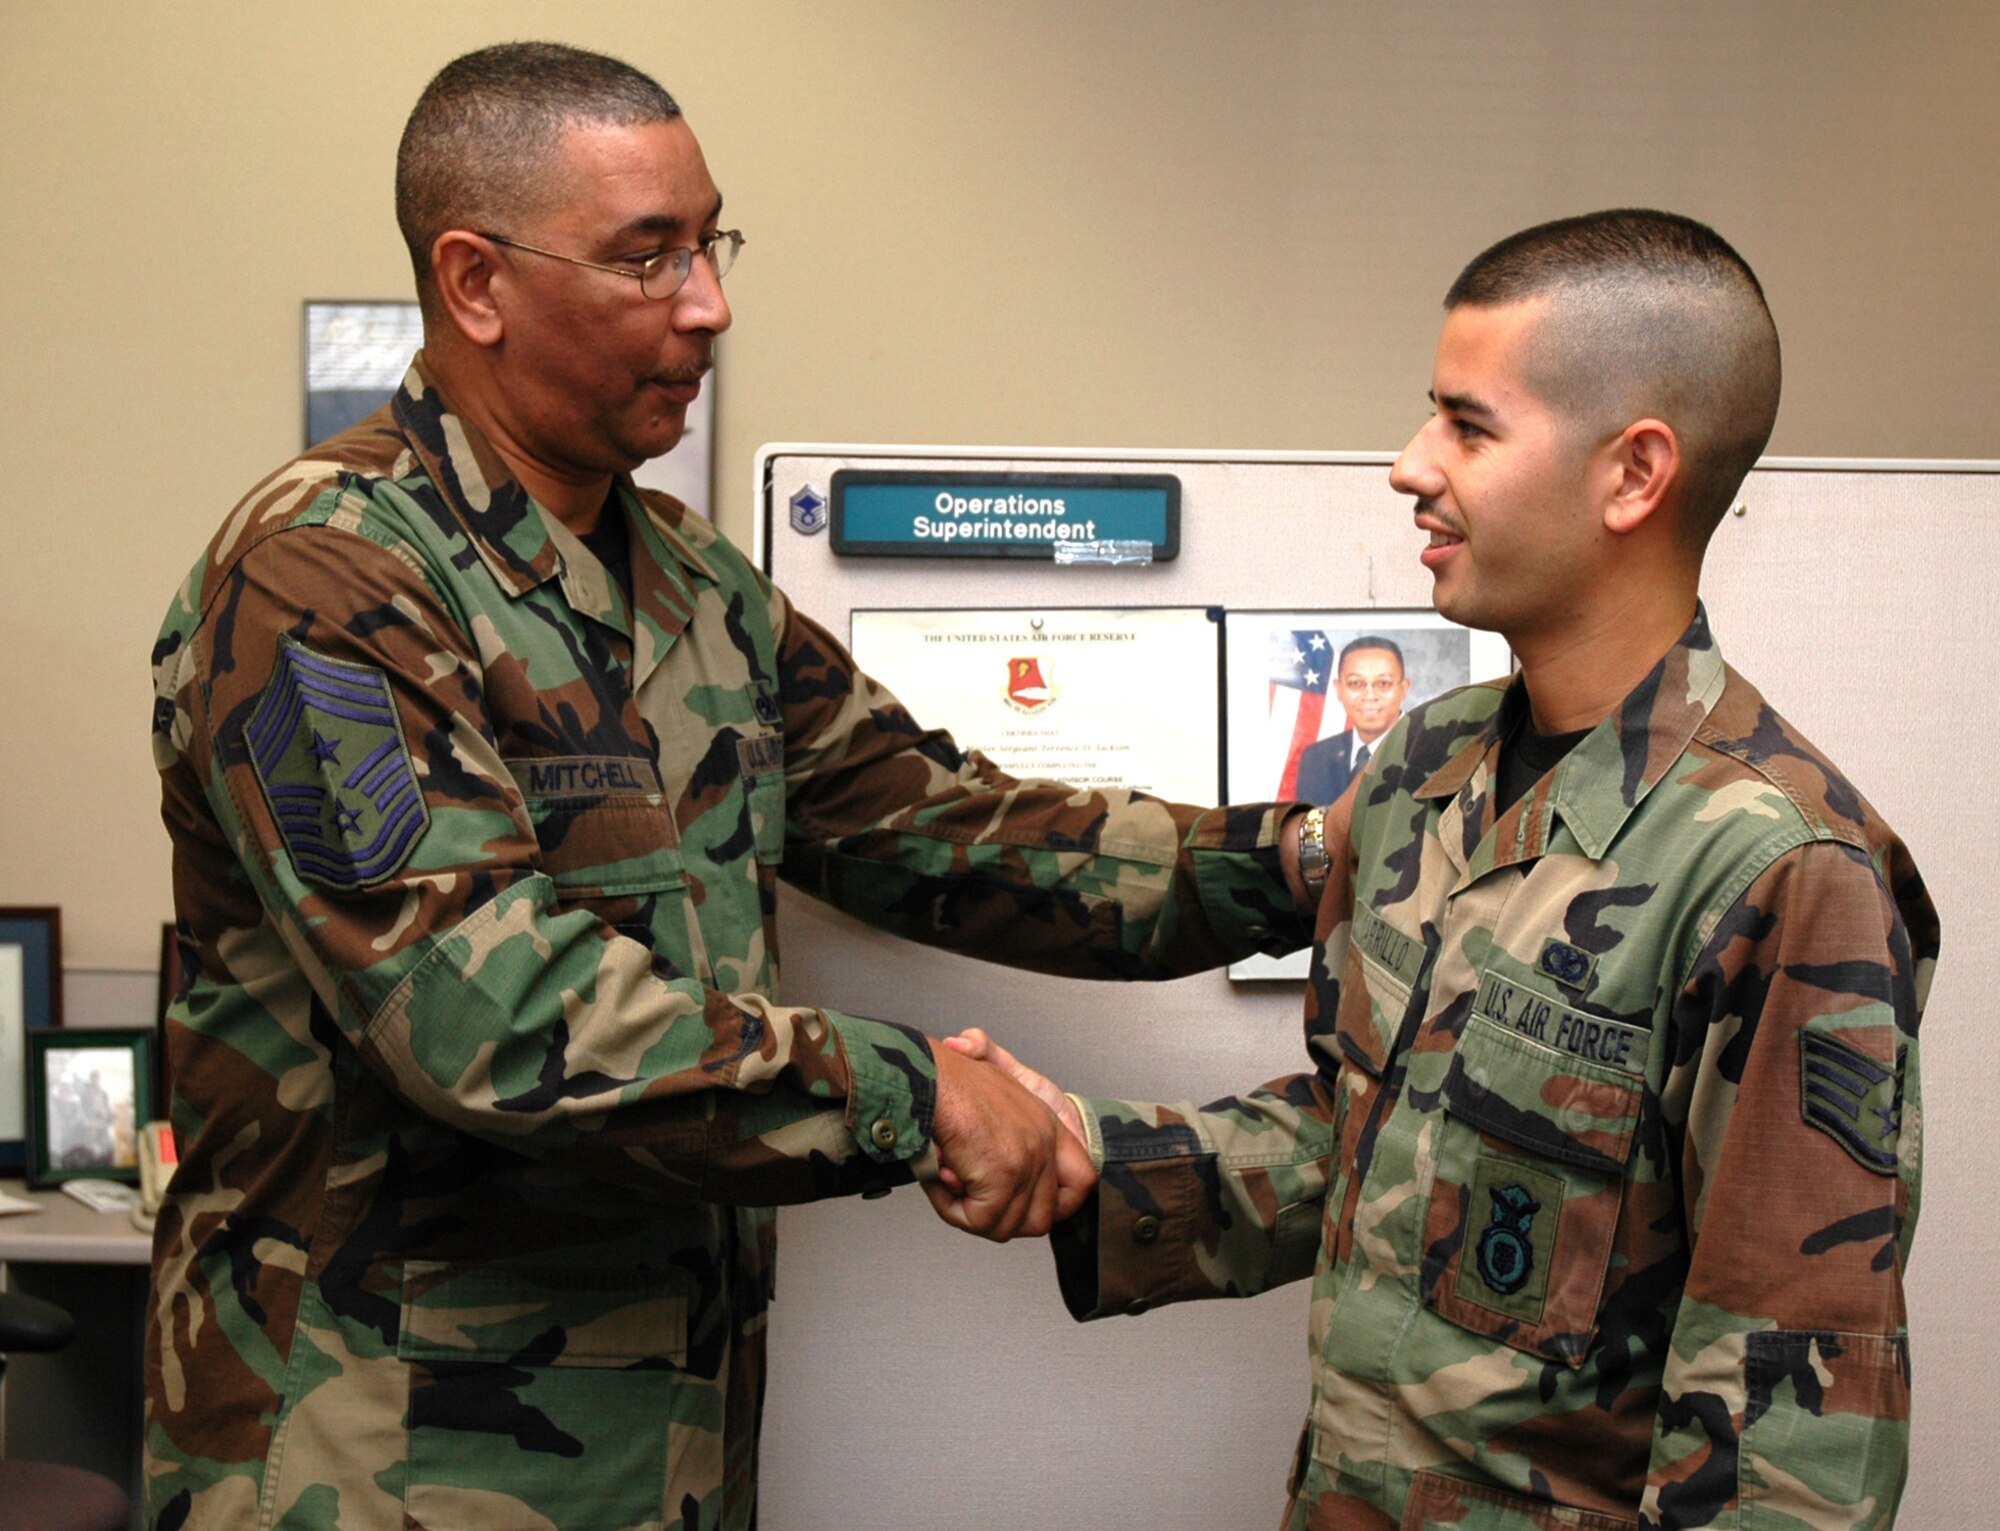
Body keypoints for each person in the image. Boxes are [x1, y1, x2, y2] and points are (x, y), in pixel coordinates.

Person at [145, 43, 1313, 1530]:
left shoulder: (693, 587)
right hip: (378, 1459)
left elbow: (956, 834)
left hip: (666, 1453)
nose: (709, 302)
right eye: (650, 255)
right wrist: (918, 1094)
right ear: (475, 281)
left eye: (711, 243)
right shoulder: (325, 574)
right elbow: (493, 1019)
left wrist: (1316, 856)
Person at [964, 210, 1938, 1529]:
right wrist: (1094, 1160)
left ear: (1635, 472)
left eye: (1468, 428)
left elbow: (1786, 1431)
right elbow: (1370, 1141)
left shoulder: (1777, 867)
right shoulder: (1426, 769)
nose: (1409, 466)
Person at [1292, 636, 1410, 804]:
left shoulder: (1429, 752)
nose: (1369, 696)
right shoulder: (1316, 758)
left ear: (1403, 689)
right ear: (1339, 689)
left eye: (1383, 683)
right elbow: (1309, 826)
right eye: (1356, 683)